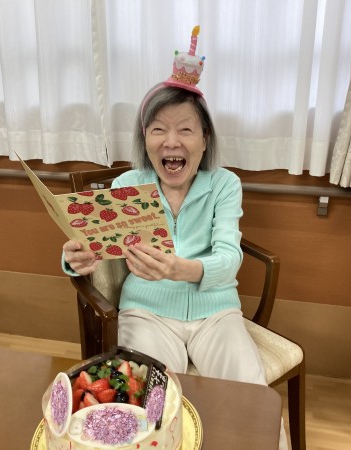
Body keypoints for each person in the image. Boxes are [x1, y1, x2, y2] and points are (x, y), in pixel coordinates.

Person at [62, 27, 289, 449]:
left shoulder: (224, 185)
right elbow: (94, 246)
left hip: (216, 313)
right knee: (151, 407)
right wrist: (76, 258)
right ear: (144, 139)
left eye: (186, 130)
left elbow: (229, 257)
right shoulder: (128, 185)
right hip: (146, 312)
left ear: (204, 140)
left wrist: (183, 269)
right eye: (158, 130)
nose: (172, 141)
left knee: (251, 398)